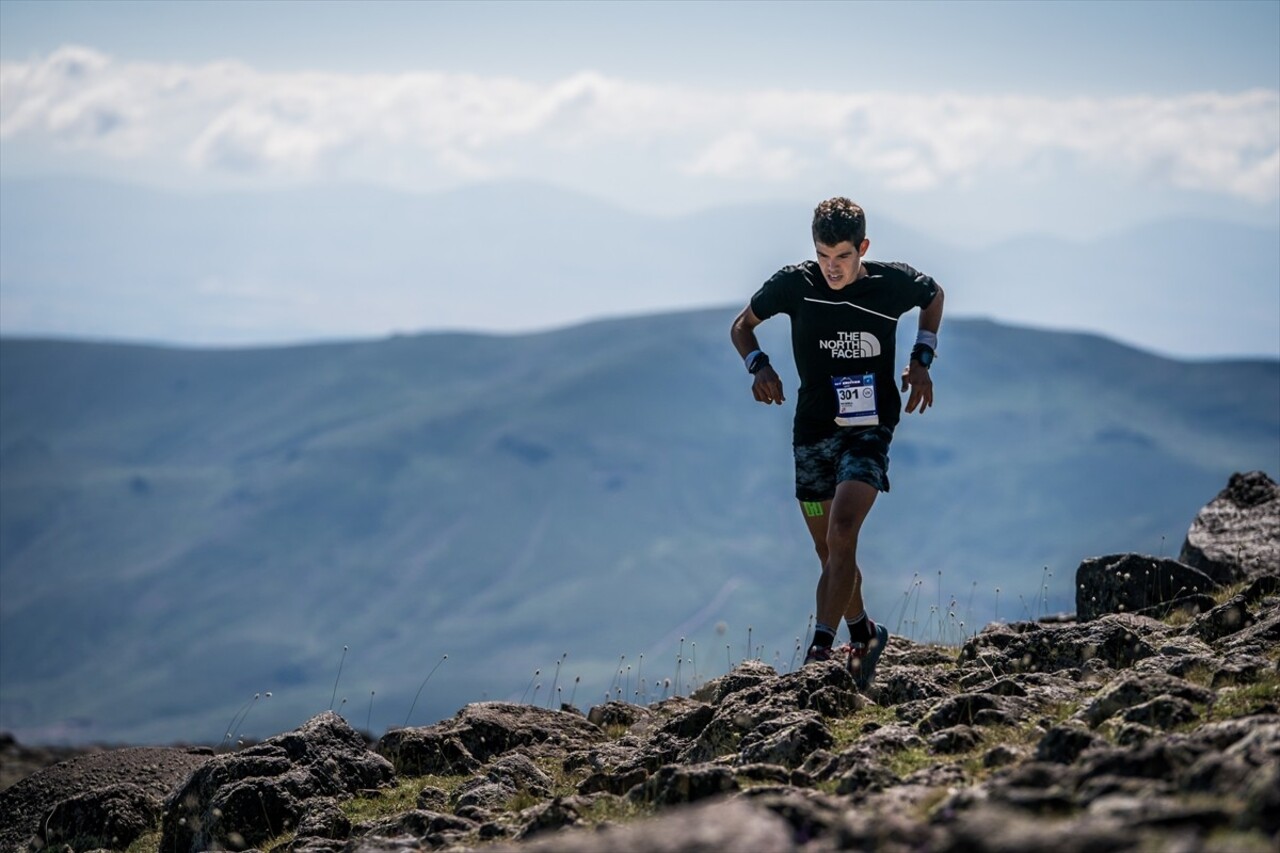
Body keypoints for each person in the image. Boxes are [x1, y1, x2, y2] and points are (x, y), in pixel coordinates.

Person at [730, 197, 944, 688]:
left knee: (843, 529)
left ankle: (822, 652)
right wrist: (758, 364)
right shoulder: (795, 284)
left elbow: (934, 297)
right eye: (824, 256)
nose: (832, 268)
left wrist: (922, 358)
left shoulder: (891, 284)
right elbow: (742, 326)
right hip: (811, 432)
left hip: (870, 427)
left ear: (862, 248)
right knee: (830, 554)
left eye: (843, 257)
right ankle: (864, 633)